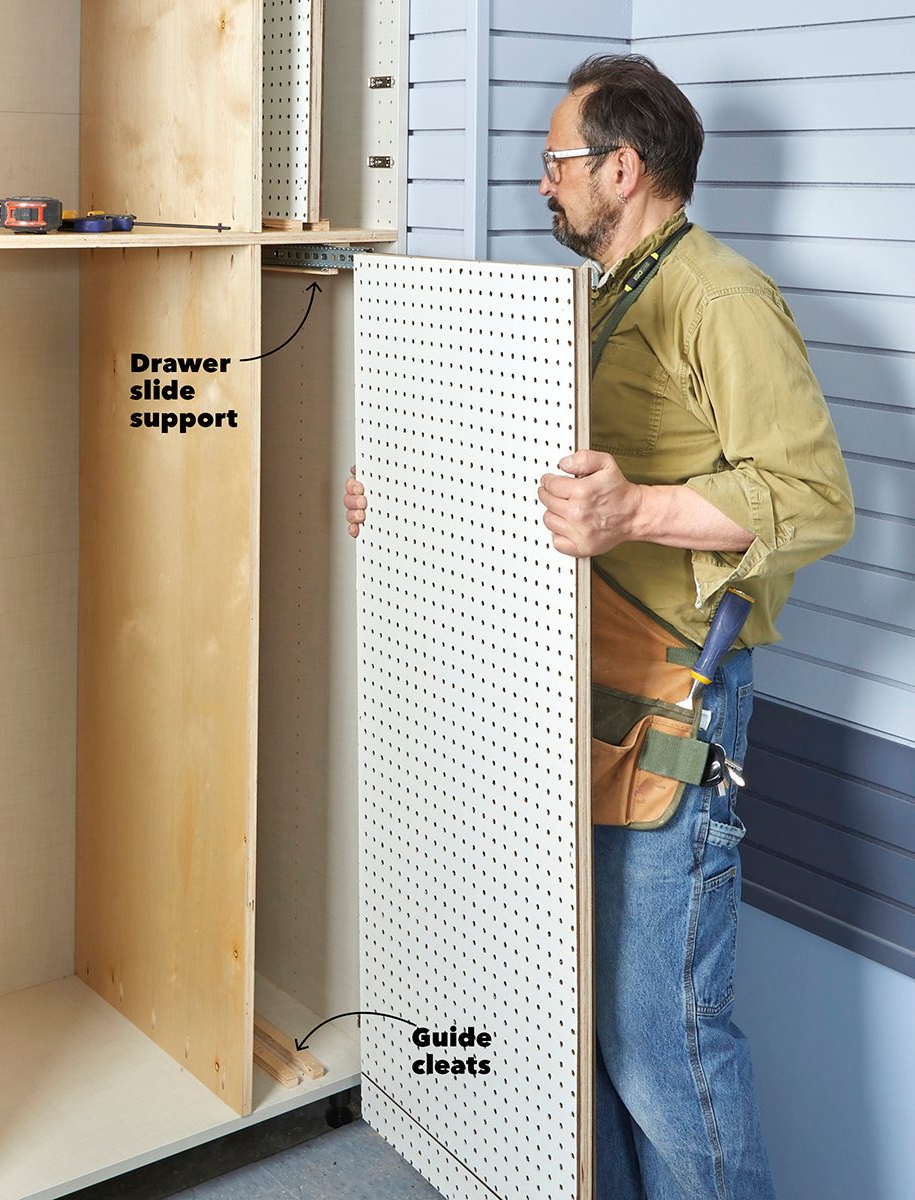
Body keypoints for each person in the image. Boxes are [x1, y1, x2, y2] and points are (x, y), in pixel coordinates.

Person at [343, 54, 853, 1200]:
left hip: (674, 701)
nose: (544, 187)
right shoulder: (593, 296)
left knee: (658, 1037)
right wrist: (407, 500)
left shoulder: (715, 296)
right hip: (564, 691)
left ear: (622, 168)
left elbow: (813, 496)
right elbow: (548, 480)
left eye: (556, 164)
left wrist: (636, 510)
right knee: (569, 1028)